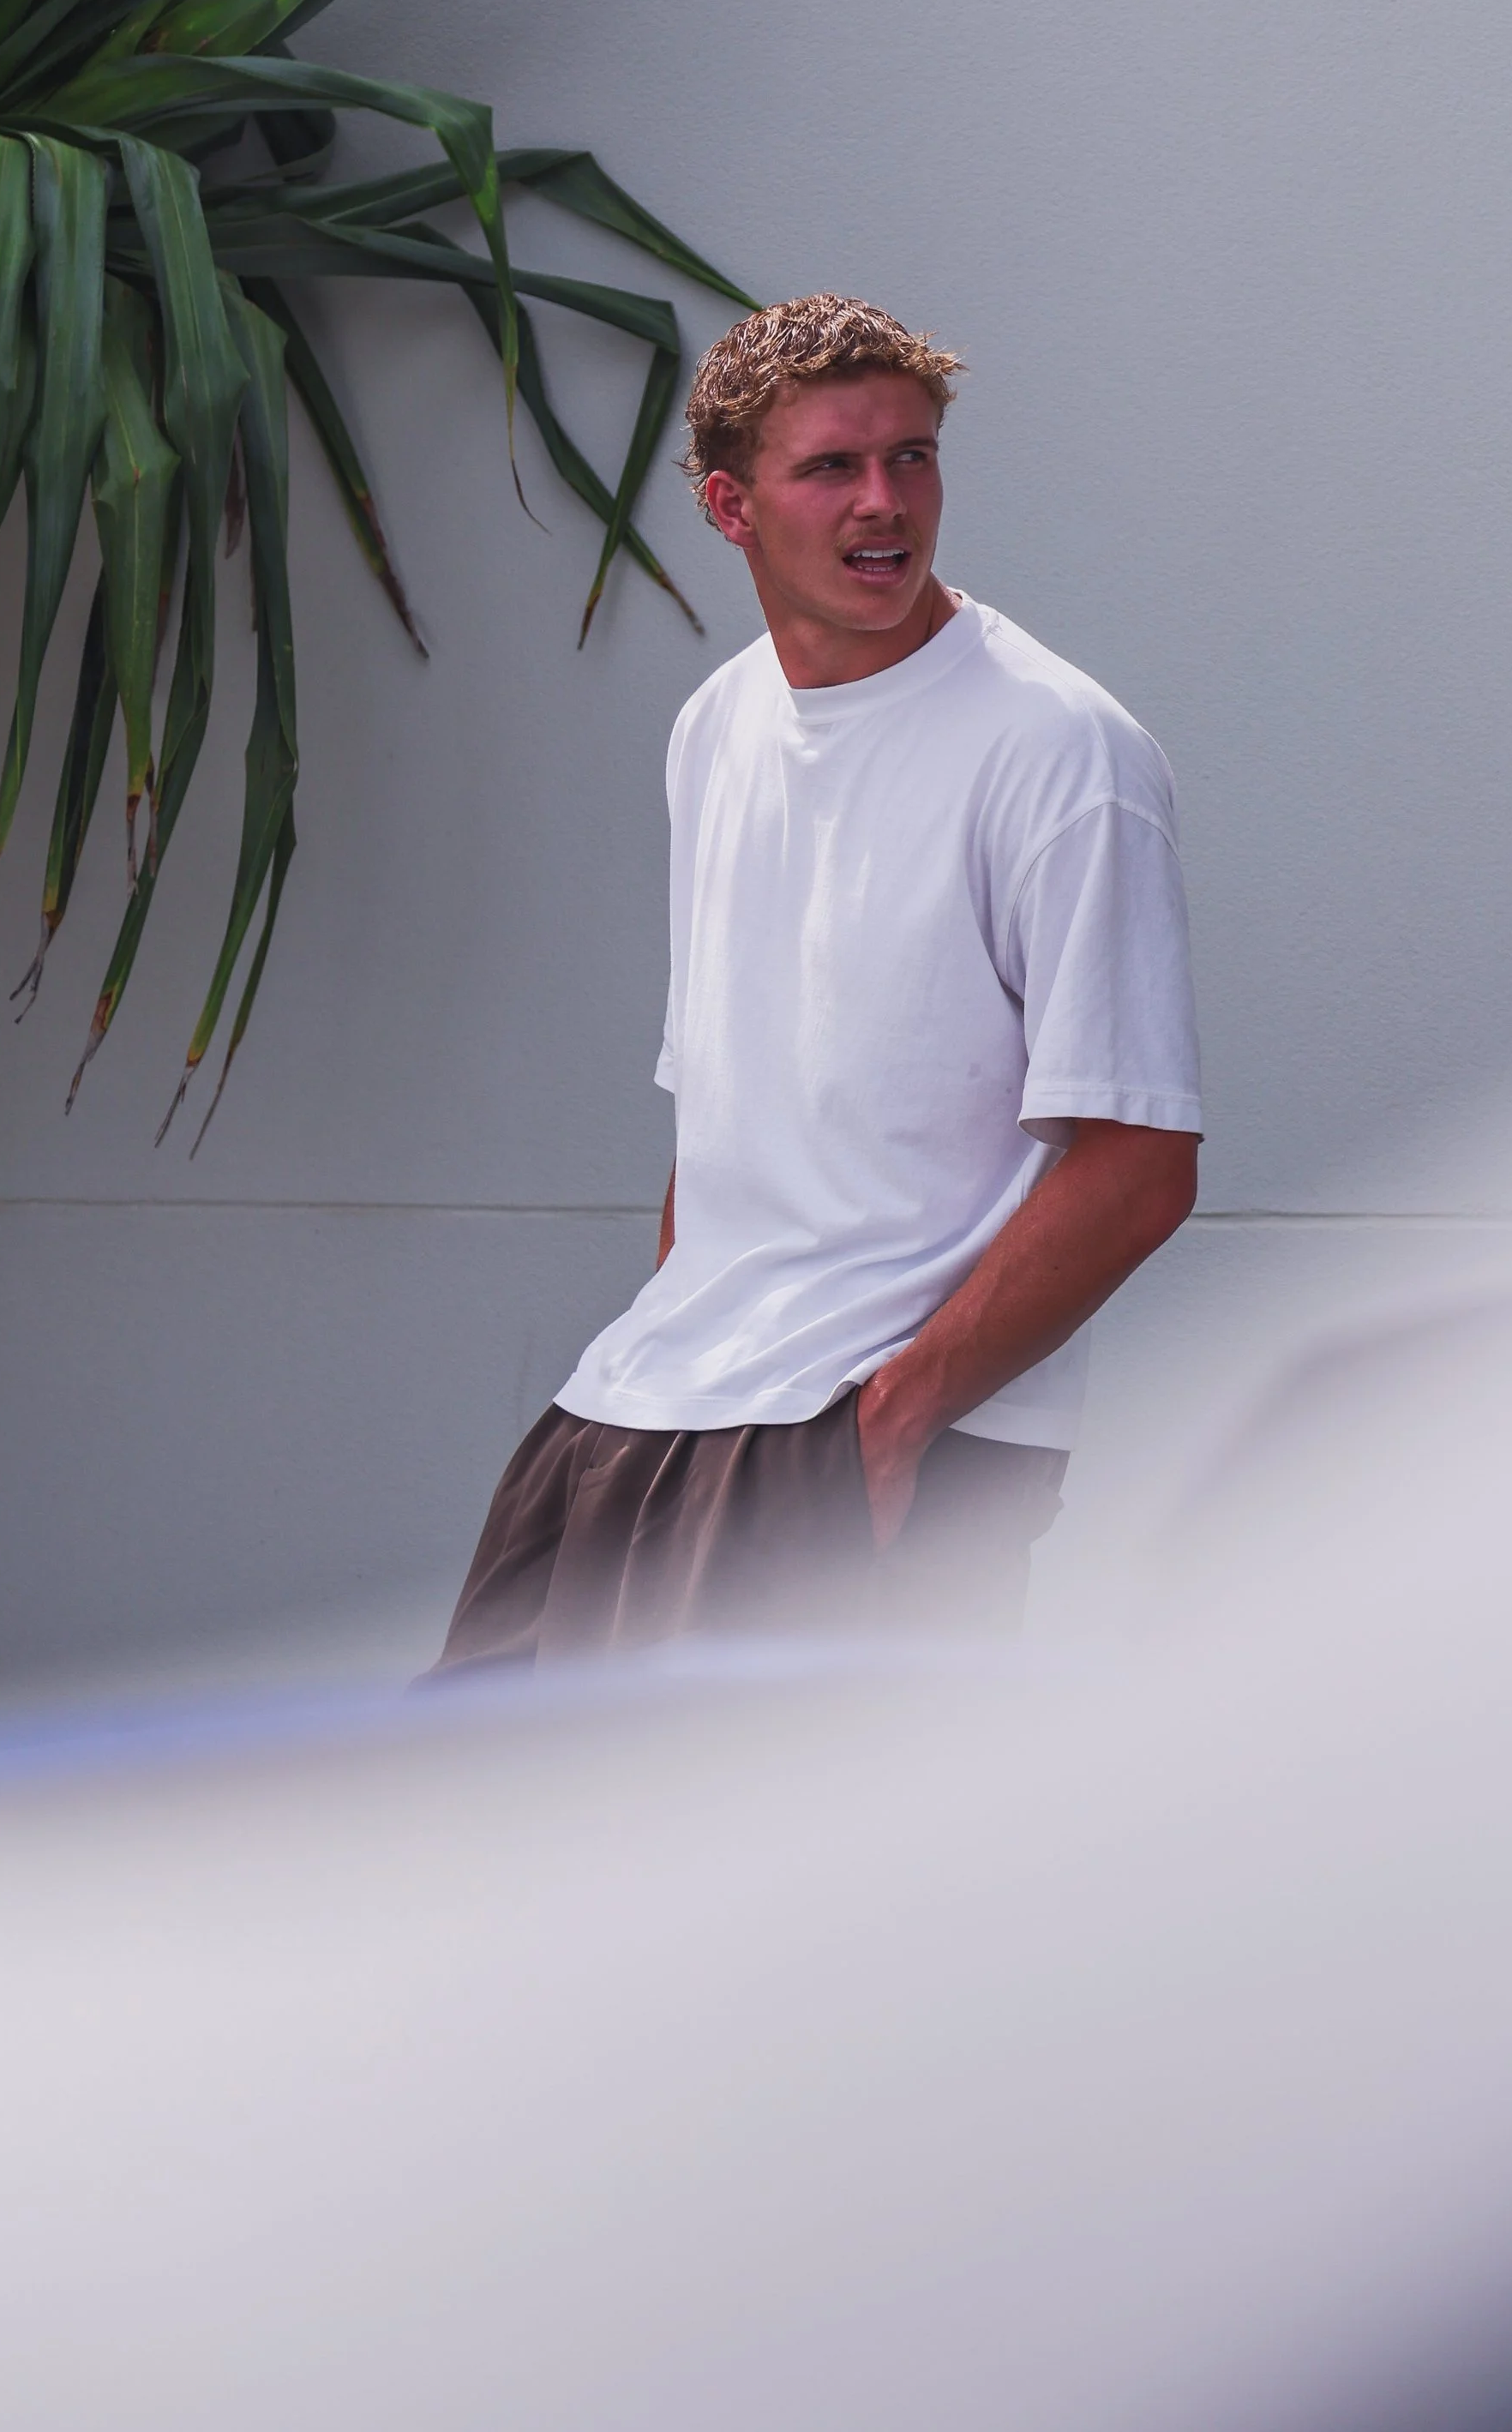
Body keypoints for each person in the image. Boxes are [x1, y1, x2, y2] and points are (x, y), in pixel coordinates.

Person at [429, 295, 1202, 1664]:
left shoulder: (1061, 752)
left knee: (819, 1856)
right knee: (502, 1821)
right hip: (658, 1399)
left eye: (912, 457)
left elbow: (1138, 1160)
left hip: (880, 1437)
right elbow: (721, 1109)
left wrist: (892, 1426)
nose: (883, 501)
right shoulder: (714, 726)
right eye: (832, 467)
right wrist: (684, 1328)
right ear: (732, 507)